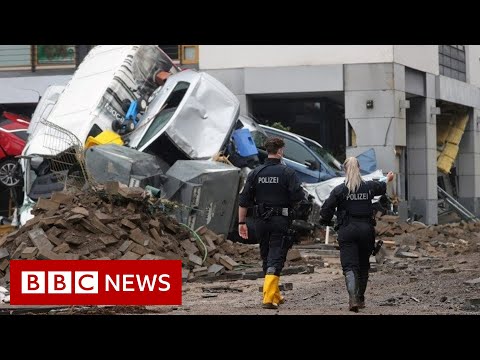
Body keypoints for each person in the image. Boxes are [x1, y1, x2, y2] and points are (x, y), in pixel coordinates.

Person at [238, 137, 305, 309]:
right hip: (279, 220)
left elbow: (244, 200)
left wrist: (241, 223)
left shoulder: (255, 173)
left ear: (267, 151)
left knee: (266, 254)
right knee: (277, 255)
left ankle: (275, 294)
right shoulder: (287, 173)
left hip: (259, 221)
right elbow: (298, 197)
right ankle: (268, 298)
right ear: (280, 151)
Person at [319, 157, 394, 312]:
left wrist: (327, 222)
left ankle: (352, 299)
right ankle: (360, 299)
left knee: (349, 266)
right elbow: (382, 186)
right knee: (363, 266)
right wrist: (388, 178)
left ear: (345, 170)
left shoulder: (339, 190)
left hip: (347, 230)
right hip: (366, 230)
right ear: (359, 168)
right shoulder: (369, 187)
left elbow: (326, 210)